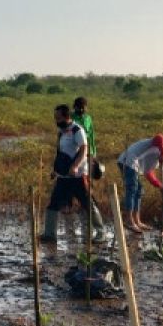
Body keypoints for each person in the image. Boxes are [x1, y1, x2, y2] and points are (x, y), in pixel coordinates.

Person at [41, 104, 106, 244]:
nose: (56, 121)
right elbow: (60, 153)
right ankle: (49, 234)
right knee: (53, 204)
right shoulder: (61, 132)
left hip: (78, 176)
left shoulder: (78, 130)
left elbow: (84, 150)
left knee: (87, 203)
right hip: (64, 176)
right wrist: (55, 170)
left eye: (58, 118)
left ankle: (101, 233)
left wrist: (75, 166)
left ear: (66, 117)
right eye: (55, 118)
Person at [117, 134, 163, 232]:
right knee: (132, 188)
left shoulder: (156, 159)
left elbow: (148, 173)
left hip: (133, 165)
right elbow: (159, 138)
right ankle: (129, 220)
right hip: (128, 161)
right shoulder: (159, 142)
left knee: (139, 191)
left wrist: (160, 186)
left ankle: (137, 220)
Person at [72, 96, 98, 178]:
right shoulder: (71, 117)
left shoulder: (88, 118)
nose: (81, 110)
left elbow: (91, 135)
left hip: (87, 149)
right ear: (75, 107)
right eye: (79, 108)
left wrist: (93, 152)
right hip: (75, 149)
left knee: (87, 174)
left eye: (83, 108)